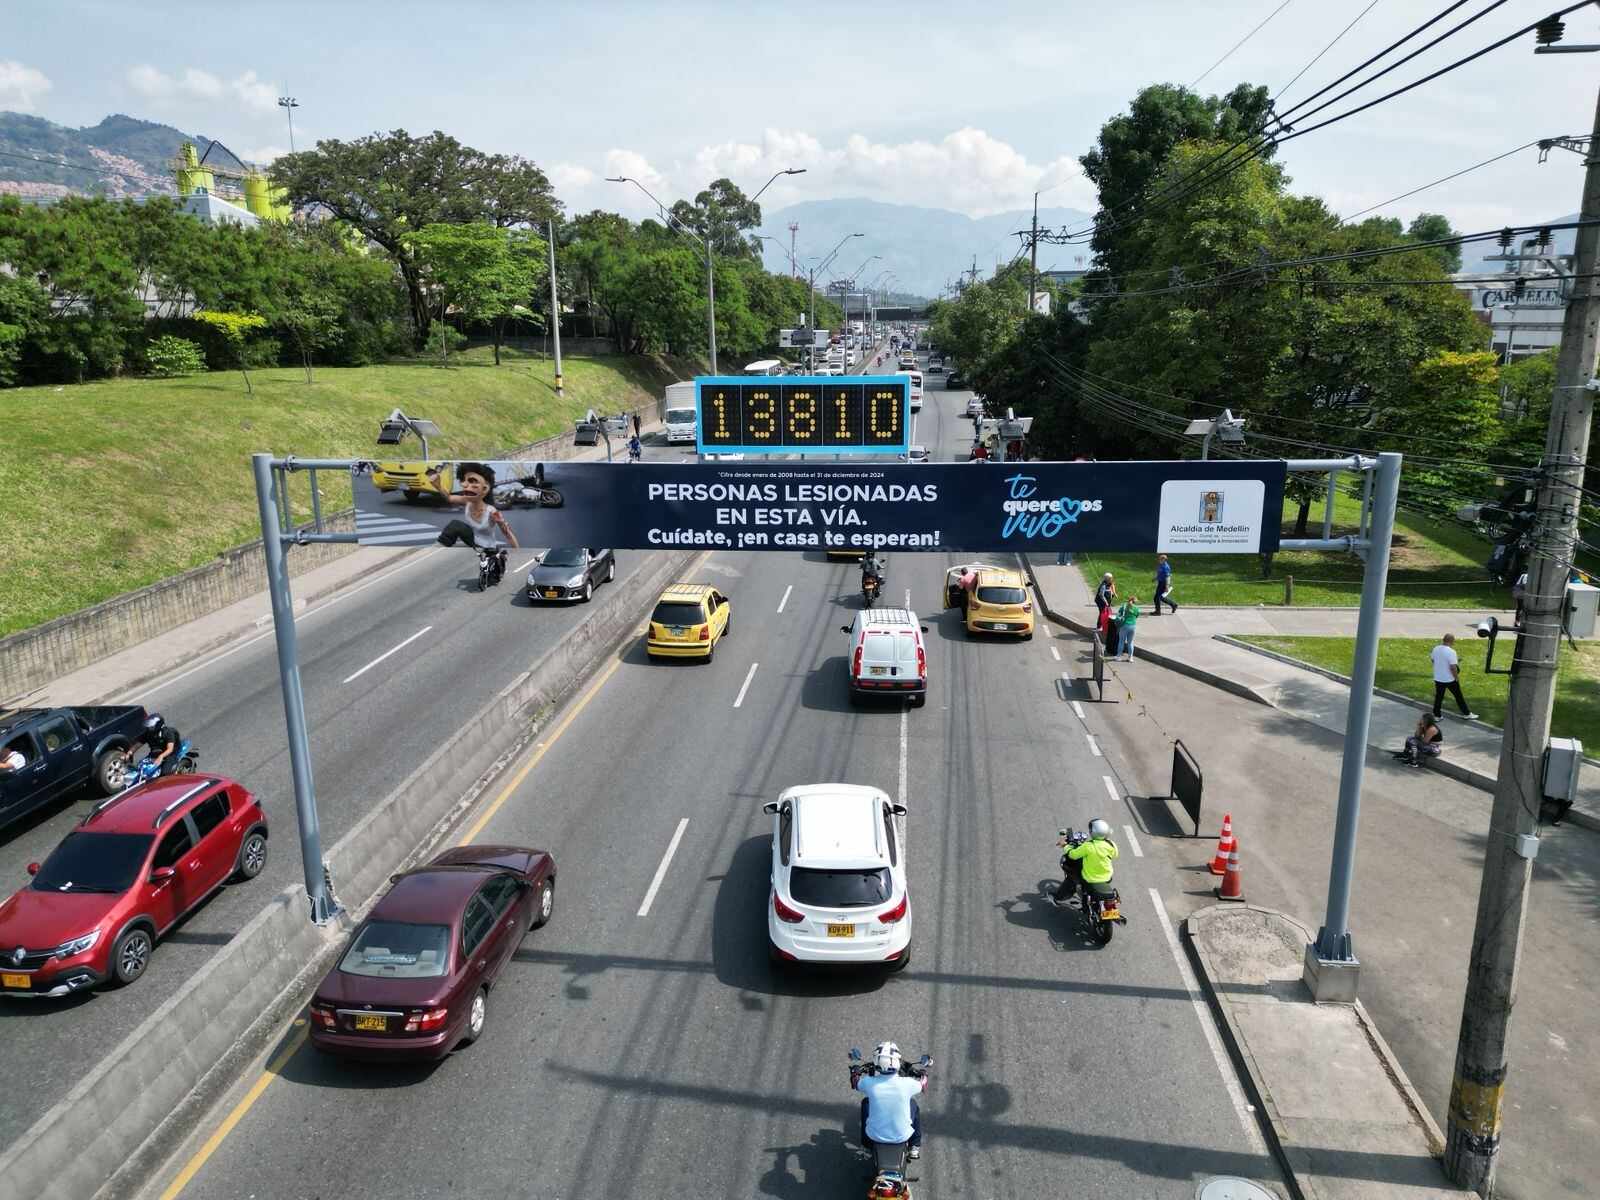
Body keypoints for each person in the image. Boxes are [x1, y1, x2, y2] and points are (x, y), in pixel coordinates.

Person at [428, 461, 521, 555]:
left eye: (472, 481)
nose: (464, 485)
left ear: (485, 489)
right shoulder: (467, 501)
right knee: (455, 525)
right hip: (474, 540)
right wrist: (438, 486)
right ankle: (434, 551)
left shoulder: (492, 512)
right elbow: (448, 497)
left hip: (487, 548)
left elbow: (508, 534)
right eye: (464, 480)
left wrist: (519, 554)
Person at [854, 1041, 927, 1161]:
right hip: (902, 1136)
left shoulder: (868, 1083)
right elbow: (923, 1085)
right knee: (913, 1104)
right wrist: (923, 1074)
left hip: (874, 1136)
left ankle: (866, 1147)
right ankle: (914, 1146)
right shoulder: (907, 1084)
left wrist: (855, 1073)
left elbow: (855, 1084)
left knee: (866, 1102)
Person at [1058, 818, 1119, 903]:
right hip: (1107, 877)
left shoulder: (1088, 846)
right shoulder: (1112, 844)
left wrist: (1065, 846)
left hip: (1091, 878)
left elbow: (1073, 855)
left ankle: (1058, 897)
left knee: (1071, 877)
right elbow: (1115, 855)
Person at [1429, 633, 1477, 720]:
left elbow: (1433, 659)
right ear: (1452, 641)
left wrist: (1440, 664)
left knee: (1439, 696)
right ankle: (1466, 713)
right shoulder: (1451, 652)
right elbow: (1453, 667)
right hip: (1449, 679)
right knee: (1458, 696)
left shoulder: (1436, 648)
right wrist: (1456, 678)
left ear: (1443, 640)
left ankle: (1437, 715)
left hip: (1438, 678)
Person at [1115, 594, 1140, 660]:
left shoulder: (1124, 607)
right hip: (1133, 626)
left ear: (1128, 600)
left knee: (1121, 641)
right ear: (1135, 601)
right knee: (1130, 642)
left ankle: (1119, 657)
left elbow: (1118, 615)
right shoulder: (1136, 608)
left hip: (1124, 625)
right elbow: (1137, 616)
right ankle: (1130, 657)